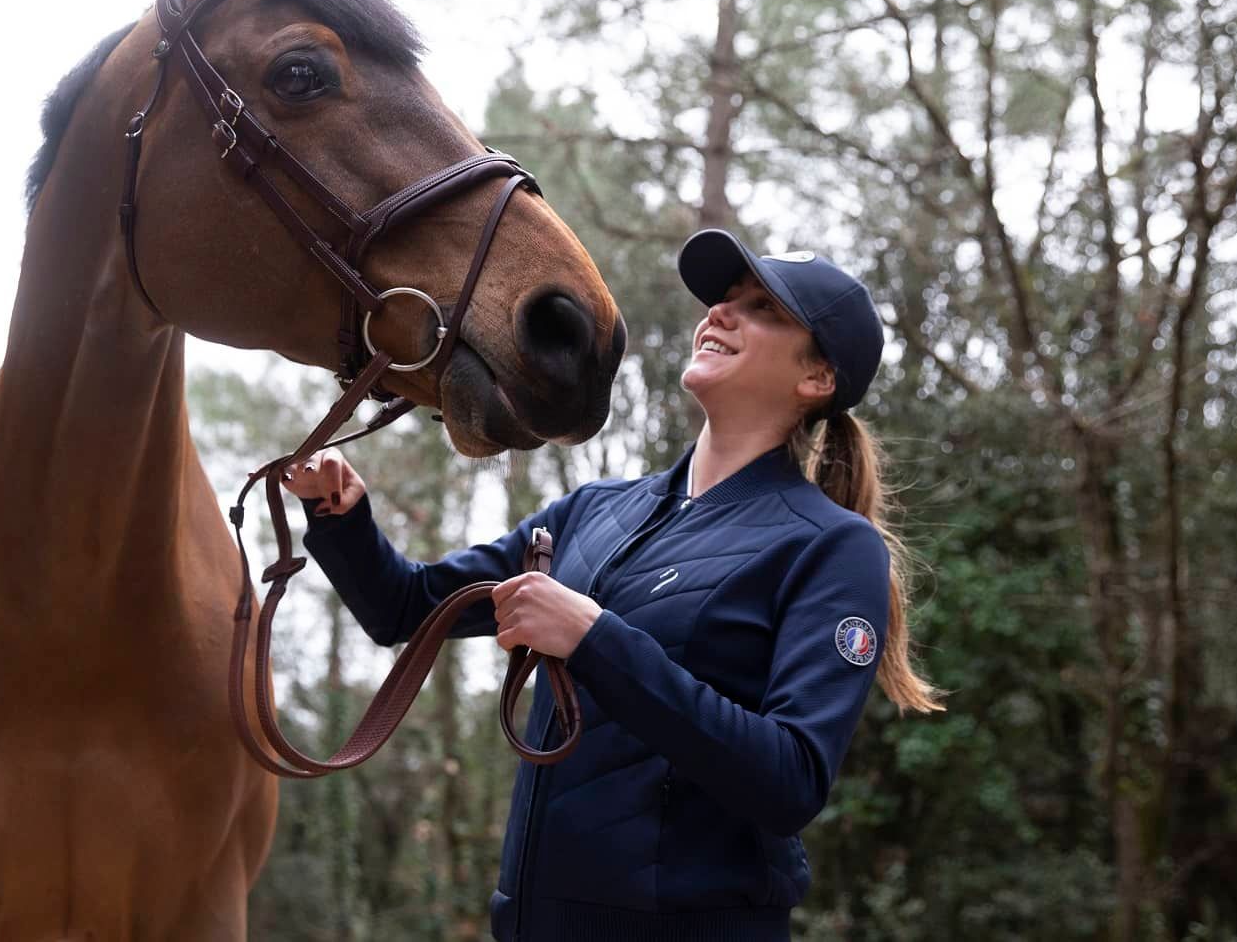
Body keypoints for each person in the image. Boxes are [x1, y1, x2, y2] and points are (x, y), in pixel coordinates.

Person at [286, 229, 944, 942]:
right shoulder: (592, 509)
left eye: (763, 308)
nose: (719, 313)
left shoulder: (831, 546)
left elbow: (790, 780)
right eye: (723, 299)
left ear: (816, 377)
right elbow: (405, 608)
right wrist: (341, 517)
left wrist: (593, 637)